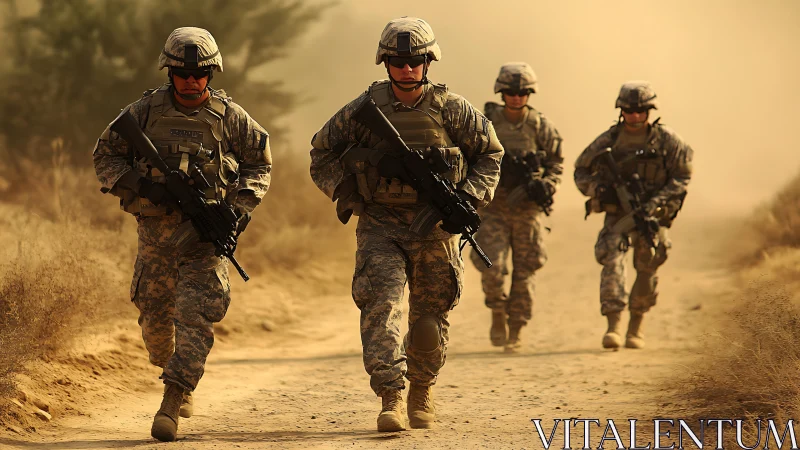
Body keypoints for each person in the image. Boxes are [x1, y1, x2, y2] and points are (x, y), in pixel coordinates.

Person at [309, 17, 503, 431]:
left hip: (436, 230)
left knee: (429, 321)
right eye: (398, 62)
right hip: (381, 225)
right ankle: (391, 396)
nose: (407, 69)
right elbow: (322, 151)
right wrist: (345, 192)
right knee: (382, 308)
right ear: (385, 63)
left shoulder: (452, 109)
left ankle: (422, 388)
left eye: (415, 61)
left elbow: (490, 154)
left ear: (428, 62)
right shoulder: (364, 110)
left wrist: (467, 197)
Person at [92, 27, 271, 441]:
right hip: (156, 236)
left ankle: (174, 397)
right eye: (183, 72)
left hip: (204, 242)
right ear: (169, 71)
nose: (191, 80)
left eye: (200, 73)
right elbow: (106, 155)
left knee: (196, 319)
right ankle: (170, 366)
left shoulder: (231, 118)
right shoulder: (145, 112)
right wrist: (145, 186)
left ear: (212, 73)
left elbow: (260, 165)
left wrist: (239, 209)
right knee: (156, 323)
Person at [574, 81, 692, 350]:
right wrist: (599, 190)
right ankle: (613, 325)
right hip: (618, 216)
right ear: (621, 111)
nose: (636, 117)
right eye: (630, 111)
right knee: (611, 259)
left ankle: (636, 325)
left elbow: (682, 176)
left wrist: (656, 202)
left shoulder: (667, 140)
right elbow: (580, 169)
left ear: (650, 112)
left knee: (648, 264)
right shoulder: (610, 139)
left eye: (641, 111)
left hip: (652, 216)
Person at [470, 62, 563, 353]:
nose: (516, 97)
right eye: (511, 92)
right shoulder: (486, 122)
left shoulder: (540, 126)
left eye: (522, 92)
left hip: (527, 209)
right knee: (492, 266)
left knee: (526, 270)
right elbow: (469, 155)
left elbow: (556, 163)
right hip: (494, 206)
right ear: (501, 92)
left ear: (529, 94)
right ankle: (498, 311)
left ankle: (517, 327)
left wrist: (546, 184)